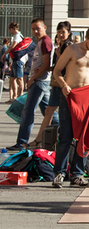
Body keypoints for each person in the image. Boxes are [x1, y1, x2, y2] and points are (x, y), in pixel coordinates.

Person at [50, 25, 89, 188]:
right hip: (70, 95)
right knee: (66, 136)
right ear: (86, 38)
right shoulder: (72, 49)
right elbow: (57, 71)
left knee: (84, 137)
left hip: (86, 97)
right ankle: (59, 173)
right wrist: (63, 85)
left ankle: (77, 174)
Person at [13, 18, 52, 150]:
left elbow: (46, 64)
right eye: (33, 29)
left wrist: (32, 78)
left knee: (28, 112)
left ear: (45, 27)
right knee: (49, 112)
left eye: (38, 28)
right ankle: (63, 130)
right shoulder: (41, 41)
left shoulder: (46, 41)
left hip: (40, 81)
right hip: (41, 81)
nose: (35, 31)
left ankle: (21, 142)